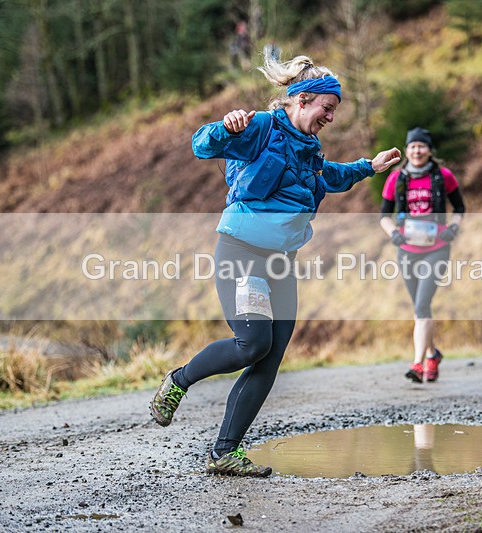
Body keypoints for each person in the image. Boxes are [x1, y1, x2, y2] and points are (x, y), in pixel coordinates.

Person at [149, 51, 401, 477]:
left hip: (281, 262)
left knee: (270, 357)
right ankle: (179, 381)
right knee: (251, 343)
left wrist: (368, 168)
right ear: (302, 100)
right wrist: (223, 126)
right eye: (328, 108)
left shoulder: (309, 148)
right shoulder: (262, 128)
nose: (331, 118)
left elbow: (329, 176)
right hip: (243, 252)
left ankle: (224, 453)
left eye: (334, 112)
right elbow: (201, 145)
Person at [379, 127, 465, 384]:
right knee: (419, 308)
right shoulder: (396, 179)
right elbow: (384, 215)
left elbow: (460, 207)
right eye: (413, 146)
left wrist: (453, 228)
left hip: (437, 249)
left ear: (429, 150)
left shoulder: (443, 176)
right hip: (407, 250)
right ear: (407, 150)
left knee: (422, 305)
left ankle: (417, 364)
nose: (417, 151)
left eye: (422, 146)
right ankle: (433, 355)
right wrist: (393, 233)